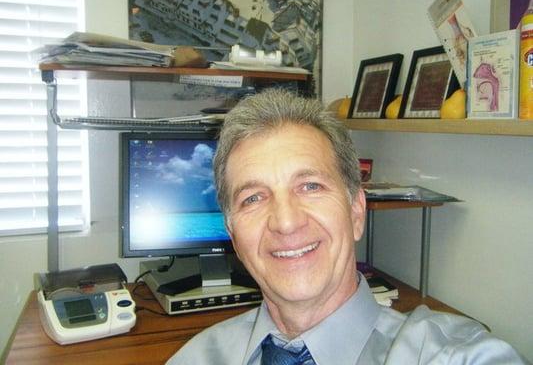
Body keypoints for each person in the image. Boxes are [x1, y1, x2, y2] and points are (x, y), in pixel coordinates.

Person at [166, 89, 528, 364]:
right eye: (254, 198)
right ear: (233, 235)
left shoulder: (453, 356)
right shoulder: (194, 357)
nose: (286, 222)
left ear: (357, 211)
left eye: (310, 186)